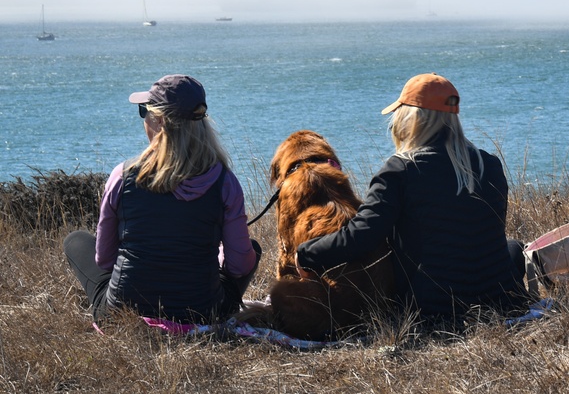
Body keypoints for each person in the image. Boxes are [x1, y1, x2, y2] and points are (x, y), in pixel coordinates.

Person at [295, 73, 528, 326]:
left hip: (433, 308)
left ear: (411, 118)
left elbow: (360, 237)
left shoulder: (400, 171)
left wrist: (307, 253)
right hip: (502, 301)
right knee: (512, 247)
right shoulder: (490, 164)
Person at [64, 74, 261, 323]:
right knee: (251, 249)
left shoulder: (121, 176)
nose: (143, 119)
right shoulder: (224, 181)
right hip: (203, 314)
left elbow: (104, 260)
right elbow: (239, 266)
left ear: (158, 120)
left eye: (143, 111)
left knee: (75, 240)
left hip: (122, 314)